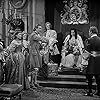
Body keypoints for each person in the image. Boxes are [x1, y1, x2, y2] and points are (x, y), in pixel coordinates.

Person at [28, 24, 49, 89]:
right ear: (36, 28)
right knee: (34, 69)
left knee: (36, 69)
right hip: (33, 53)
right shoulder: (33, 35)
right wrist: (48, 40)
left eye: (41, 28)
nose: (40, 29)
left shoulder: (36, 35)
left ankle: (35, 82)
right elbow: (42, 39)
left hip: (36, 52)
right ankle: (32, 83)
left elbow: (39, 43)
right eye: (39, 28)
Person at [84, 26, 100, 97]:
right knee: (98, 77)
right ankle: (98, 92)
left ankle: (89, 91)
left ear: (91, 32)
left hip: (92, 60)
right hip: (99, 60)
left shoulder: (89, 40)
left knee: (89, 77)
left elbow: (87, 52)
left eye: (89, 31)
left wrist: (84, 60)